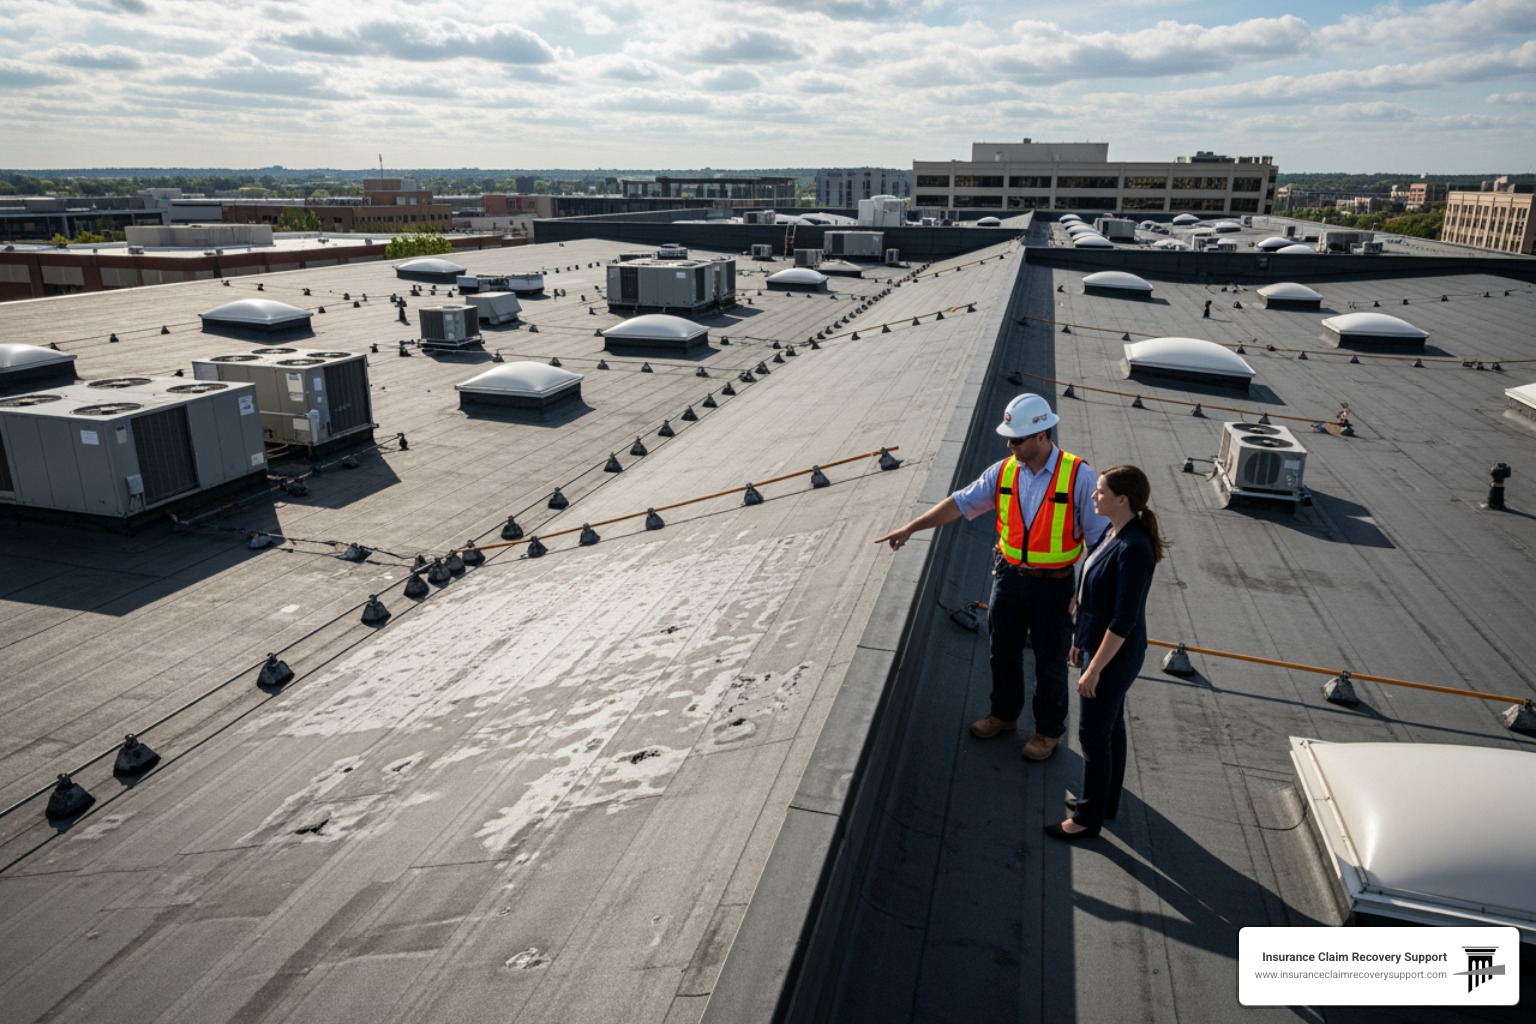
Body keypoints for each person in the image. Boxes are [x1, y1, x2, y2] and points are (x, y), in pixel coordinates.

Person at [875, 394, 1109, 761]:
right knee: (1002, 652)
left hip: (1054, 585)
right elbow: (960, 503)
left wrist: (1082, 593)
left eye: (1016, 439)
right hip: (1010, 579)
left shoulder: (1079, 475)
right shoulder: (1003, 471)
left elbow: (1100, 540)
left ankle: (1048, 731)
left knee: (1050, 660)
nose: (1009, 444)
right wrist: (911, 527)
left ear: (1042, 436)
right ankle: (1004, 715)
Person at [1043, 464, 1166, 841]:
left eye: (1100, 491)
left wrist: (1094, 668)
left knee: (1092, 735)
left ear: (1122, 499)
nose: (1094, 496)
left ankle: (1086, 820)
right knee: (1111, 728)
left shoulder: (1134, 548)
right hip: (1100, 647)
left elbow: (1124, 619)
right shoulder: (1114, 533)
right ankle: (1104, 802)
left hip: (1114, 657)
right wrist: (1080, 633)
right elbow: (1096, 591)